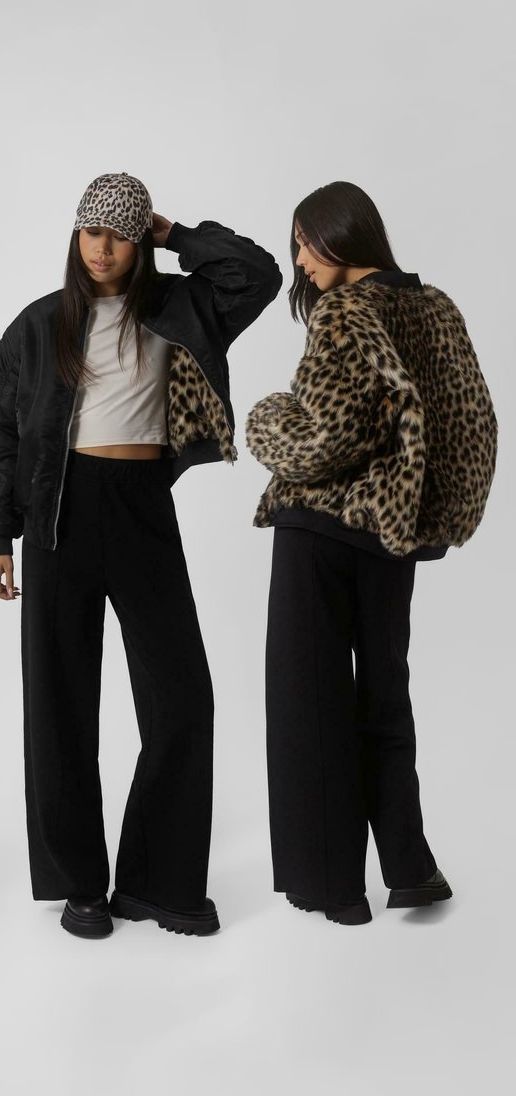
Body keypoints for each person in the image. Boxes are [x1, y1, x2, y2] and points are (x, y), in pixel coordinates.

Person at [0, 171, 281, 938]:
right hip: (59, 513)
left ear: (140, 241)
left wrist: (175, 235)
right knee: (61, 703)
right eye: (91, 232)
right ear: (75, 236)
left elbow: (259, 274)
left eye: (119, 235)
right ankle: (80, 886)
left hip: (142, 505)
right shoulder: (38, 325)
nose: (103, 248)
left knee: (183, 699)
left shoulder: (182, 306)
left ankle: (158, 884)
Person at [245, 180, 497, 925]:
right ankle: (411, 869)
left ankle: (334, 889)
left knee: (309, 701)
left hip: (319, 531)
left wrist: (265, 419)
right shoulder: (435, 308)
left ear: (341, 233)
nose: (300, 260)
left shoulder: (344, 311)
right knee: (385, 694)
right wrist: (428, 514)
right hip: (392, 537)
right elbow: (474, 423)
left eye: (304, 242)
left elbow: (325, 436)